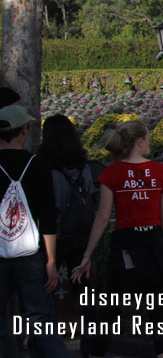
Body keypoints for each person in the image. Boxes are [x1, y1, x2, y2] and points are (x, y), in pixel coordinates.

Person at [72, 121, 163, 358]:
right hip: (154, 241)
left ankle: (96, 354)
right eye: (148, 138)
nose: (149, 142)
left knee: (112, 307)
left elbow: (103, 216)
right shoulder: (162, 172)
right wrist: (151, 230)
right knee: (158, 310)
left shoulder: (112, 173)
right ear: (140, 142)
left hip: (125, 244)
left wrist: (88, 254)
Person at [0, 105, 68, 357]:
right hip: (31, 253)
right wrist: (51, 261)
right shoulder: (37, 165)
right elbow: (48, 217)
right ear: (23, 131)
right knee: (41, 319)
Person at [40, 115, 96, 357]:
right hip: (81, 238)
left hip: (51, 237)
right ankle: (90, 349)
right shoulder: (83, 165)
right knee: (87, 298)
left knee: (43, 298)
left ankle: (48, 349)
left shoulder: (42, 167)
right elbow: (92, 200)